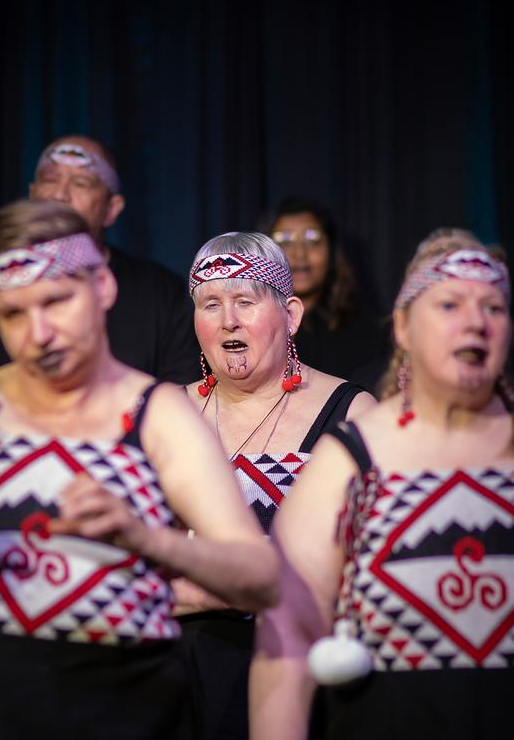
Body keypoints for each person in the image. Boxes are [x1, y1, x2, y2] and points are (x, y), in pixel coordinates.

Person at [0, 200, 279, 740]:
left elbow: (260, 578)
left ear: (102, 286)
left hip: (126, 707)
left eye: (56, 301)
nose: (39, 333)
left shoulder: (157, 414)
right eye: (13, 314)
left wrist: (147, 540)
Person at [250, 229, 514, 740]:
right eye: (450, 304)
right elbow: (288, 638)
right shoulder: (350, 460)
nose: (476, 322)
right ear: (403, 327)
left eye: (494, 307)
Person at [175, 231, 376, 739]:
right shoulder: (163, 416)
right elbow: (120, 575)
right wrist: (230, 589)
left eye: (245, 300)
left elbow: (366, 574)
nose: (228, 320)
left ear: (291, 315)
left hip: (301, 676)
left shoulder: (352, 415)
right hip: (174, 684)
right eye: (210, 304)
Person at [0, 135, 199, 385]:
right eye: (50, 179)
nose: (60, 194)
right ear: (32, 193)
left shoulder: (162, 293)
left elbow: (183, 391)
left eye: (81, 182)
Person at [259, 197, 387, 385]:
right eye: (284, 241)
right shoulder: (247, 326)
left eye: (313, 241)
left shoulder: (372, 332)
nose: (300, 254)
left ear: (332, 251)